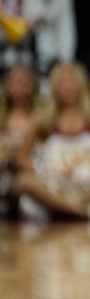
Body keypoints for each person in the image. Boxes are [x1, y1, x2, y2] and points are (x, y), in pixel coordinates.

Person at [12, 62, 90, 221]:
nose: (67, 87)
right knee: (22, 181)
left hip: (88, 184)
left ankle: (64, 207)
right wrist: (40, 173)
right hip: (53, 184)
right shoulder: (43, 118)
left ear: (82, 85)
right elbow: (21, 156)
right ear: (54, 87)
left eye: (71, 82)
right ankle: (76, 210)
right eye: (62, 83)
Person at [0, 64, 39, 217]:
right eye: (14, 82)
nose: (18, 88)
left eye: (23, 82)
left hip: (30, 171)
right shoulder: (2, 118)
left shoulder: (39, 117)